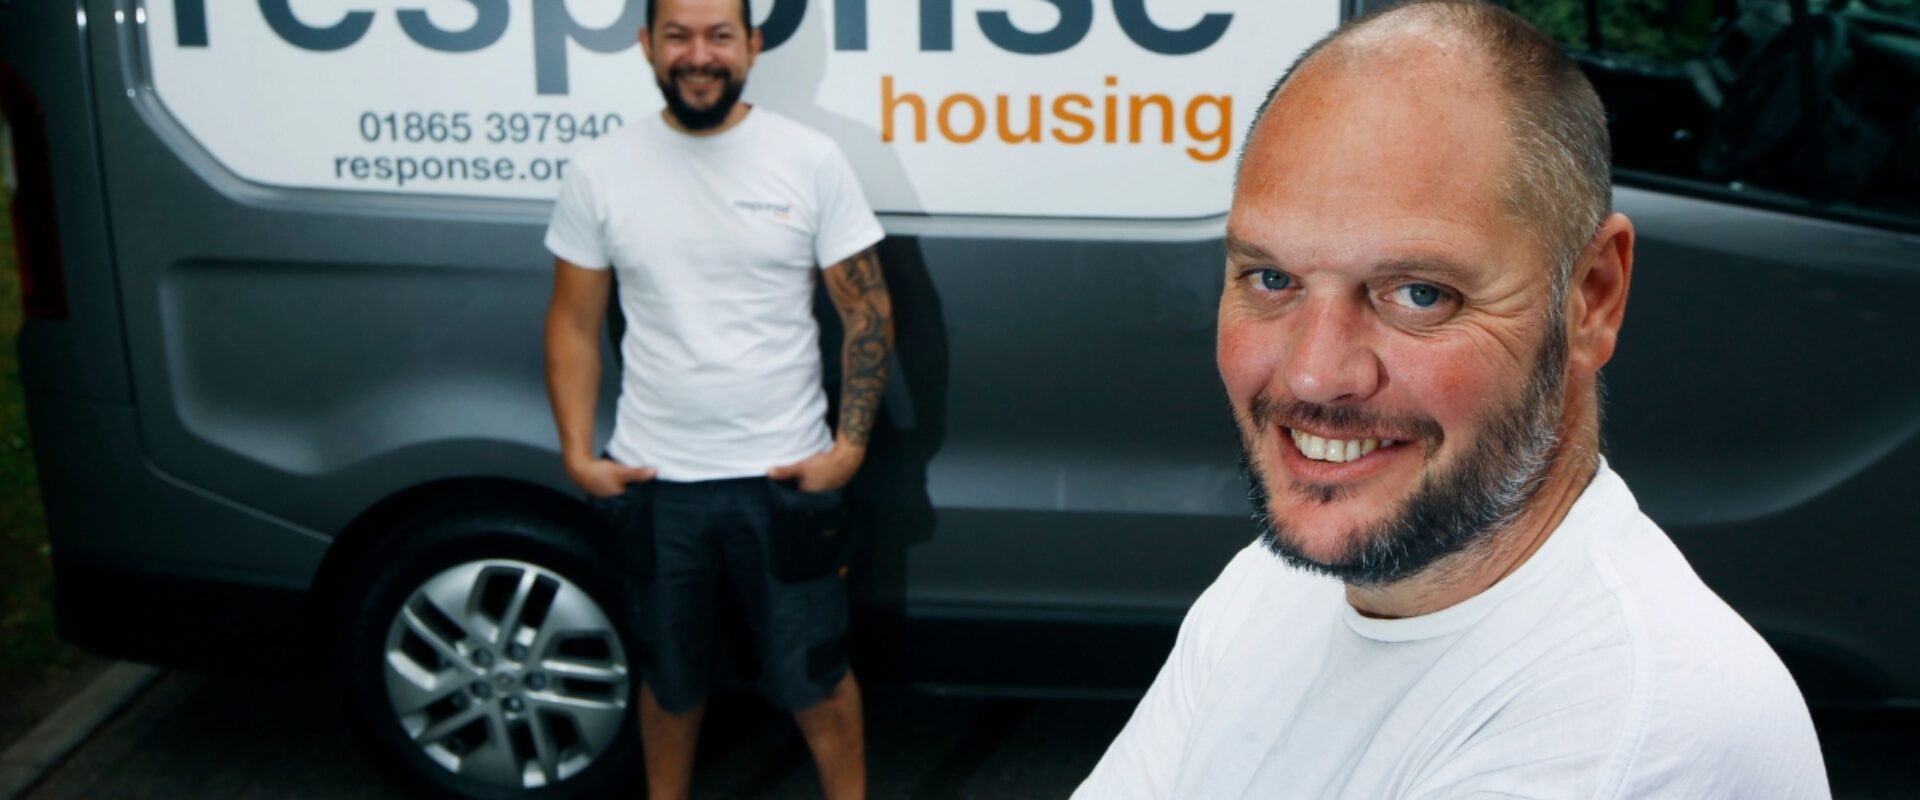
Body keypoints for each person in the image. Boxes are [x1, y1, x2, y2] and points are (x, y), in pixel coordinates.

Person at [1076, 1, 1829, 796]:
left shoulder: (1624, 732)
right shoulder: (1274, 585)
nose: (1313, 374)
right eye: (1271, 279)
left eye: (1419, 293)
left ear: (1593, 299)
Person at [541, 0, 891, 796]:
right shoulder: (602, 168)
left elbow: (866, 307)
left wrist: (850, 446)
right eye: (679, 35)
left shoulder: (809, 159)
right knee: (670, 682)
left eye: (719, 35)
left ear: (752, 47)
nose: (699, 54)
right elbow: (572, 321)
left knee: (817, 682)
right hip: (655, 484)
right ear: (647, 46)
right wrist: (576, 455)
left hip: (786, 483)